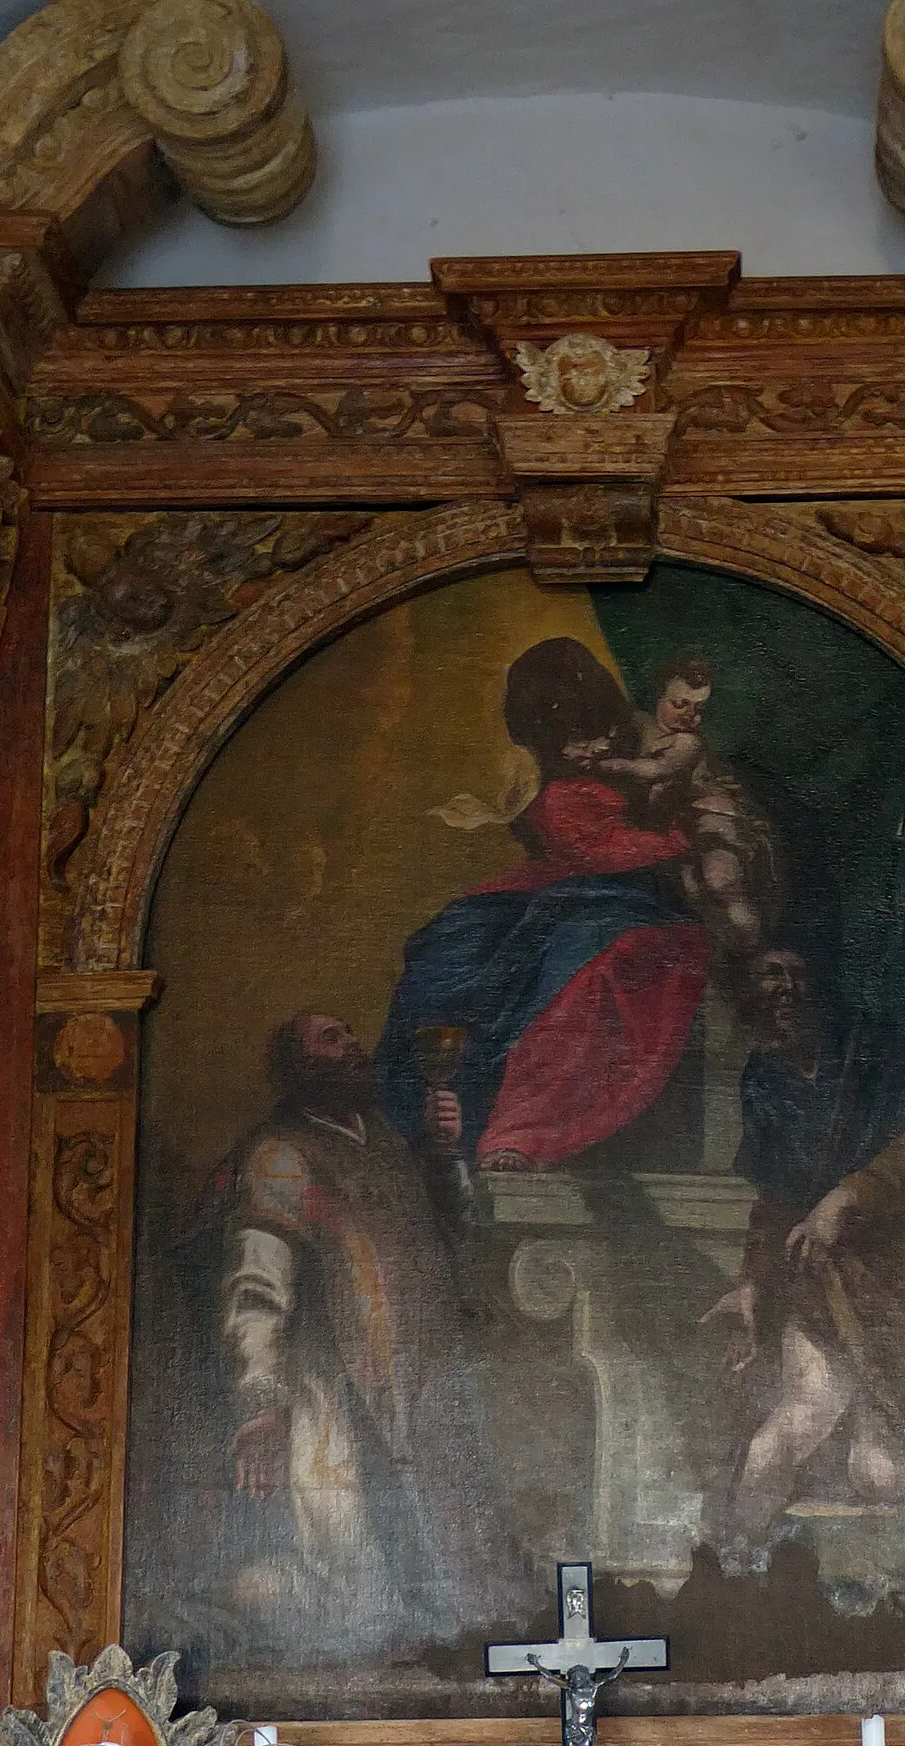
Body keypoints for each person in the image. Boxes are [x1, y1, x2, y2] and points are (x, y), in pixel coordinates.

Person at [188, 1008, 496, 1649]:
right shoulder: (281, 1156)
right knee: (349, 1574)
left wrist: (442, 1159)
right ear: (300, 1068)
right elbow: (256, 1285)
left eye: (351, 1034)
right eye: (332, 1039)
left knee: (451, 1566)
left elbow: (445, 1236)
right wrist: (261, 1403)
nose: (353, 1044)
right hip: (332, 1395)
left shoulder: (379, 1139)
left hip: (419, 1387)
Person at [701, 948, 905, 1556]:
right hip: (828, 1290)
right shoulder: (765, 1079)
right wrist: (754, 1285)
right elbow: (775, 1204)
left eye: (798, 974)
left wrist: (850, 1196)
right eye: (769, 976)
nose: (784, 989)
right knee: (784, 1432)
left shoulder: (879, 1055)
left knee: (879, 1475)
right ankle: (728, 1560)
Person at [376, 638, 713, 1171]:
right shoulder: (539, 757)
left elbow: (640, 824)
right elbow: (549, 829)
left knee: (564, 952)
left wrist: (666, 837)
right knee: (447, 950)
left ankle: (510, 1125)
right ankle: (427, 1125)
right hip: (560, 878)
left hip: (632, 887)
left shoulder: (647, 735)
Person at [589, 652, 778, 958]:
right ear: (658, 696)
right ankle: (727, 955)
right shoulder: (637, 725)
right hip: (678, 829)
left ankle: (756, 951)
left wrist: (604, 766)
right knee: (693, 891)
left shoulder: (688, 743)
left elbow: (657, 771)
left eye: (698, 708)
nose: (690, 715)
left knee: (721, 878)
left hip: (714, 818)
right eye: (680, 703)